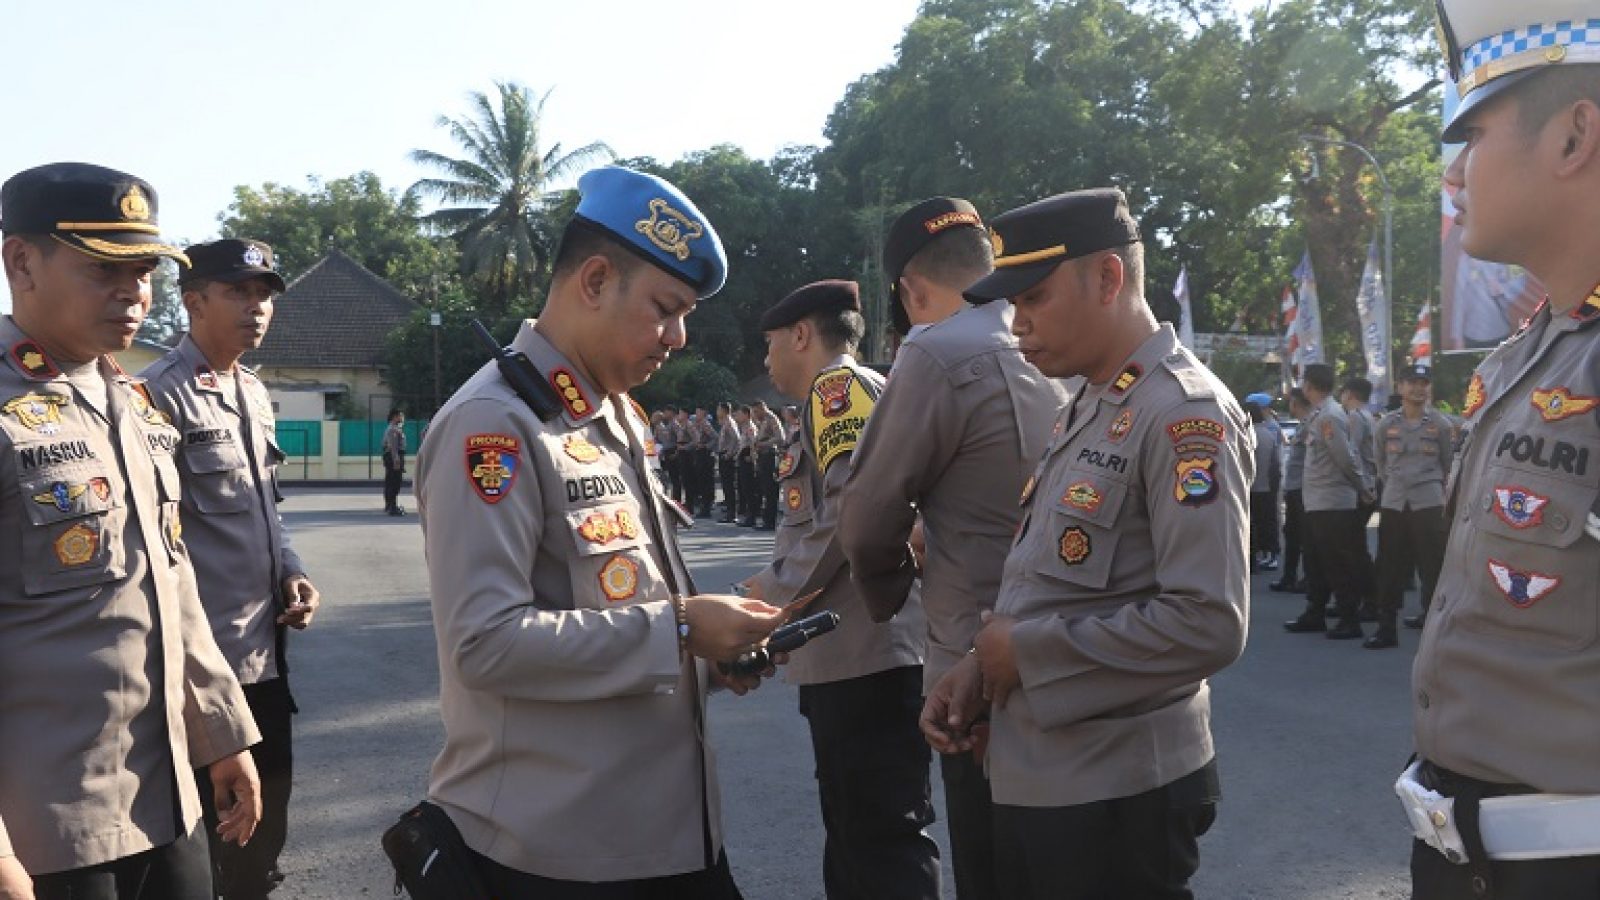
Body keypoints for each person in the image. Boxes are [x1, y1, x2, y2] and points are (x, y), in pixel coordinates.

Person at [416, 165, 786, 897]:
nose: (678, 337)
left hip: (661, 837)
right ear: (593, 281)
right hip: (559, 856)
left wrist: (709, 655)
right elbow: (484, 644)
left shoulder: (611, 413)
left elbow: (620, 607)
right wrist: (681, 630)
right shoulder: (497, 424)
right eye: (665, 308)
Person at [922, 188, 1252, 899]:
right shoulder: (1093, 401)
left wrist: (1024, 652)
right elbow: (1056, 580)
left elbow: (1208, 623)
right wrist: (981, 666)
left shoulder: (1182, 413)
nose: (1017, 325)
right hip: (1041, 771)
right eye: (1010, 305)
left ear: (1107, 279)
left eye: (1034, 298)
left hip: (1116, 791)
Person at [0, 162, 262, 900]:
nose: (134, 292)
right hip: (46, 831)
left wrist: (222, 736)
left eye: (144, 271)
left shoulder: (133, 402)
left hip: (166, 798)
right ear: (21, 261)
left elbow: (172, 585)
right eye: (104, 269)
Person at [1400, 5, 1600, 893]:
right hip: (1467, 852)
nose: (1450, 178)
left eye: (1469, 136)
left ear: (1575, 135)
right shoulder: (1531, 353)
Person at [838, 196, 1070, 900]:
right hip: (1074, 643)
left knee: (994, 871)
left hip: (975, 670)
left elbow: (869, 517)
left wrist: (886, 591)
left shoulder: (936, 351)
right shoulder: (1063, 342)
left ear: (910, 291)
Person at [744, 279, 937, 900]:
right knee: (858, 838)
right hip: (854, 652)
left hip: (865, 657)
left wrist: (767, 600)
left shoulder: (837, 390)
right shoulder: (845, 392)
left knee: (879, 842)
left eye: (770, 343)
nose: (766, 359)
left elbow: (845, 514)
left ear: (803, 334)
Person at [140, 239, 321, 900]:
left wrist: (292, 572)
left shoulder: (253, 391)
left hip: (265, 660)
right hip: (203, 676)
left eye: (264, 294)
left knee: (262, 848)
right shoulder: (157, 395)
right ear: (193, 303)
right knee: (210, 855)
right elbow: (157, 540)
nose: (257, 308)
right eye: (238, 293)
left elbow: (265, 509)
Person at [1365, 364, 1451, 649]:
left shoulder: (1440, 425)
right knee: (1389, 569)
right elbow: (1380, 463)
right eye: (1412, 382)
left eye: (1424, 382)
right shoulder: (1386, 424)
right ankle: (1386, 628)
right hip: (1395, 503)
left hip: (1429, 504)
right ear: (1400, 387)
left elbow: (1449, 465)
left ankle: (1434, 630)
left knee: (1433, 569)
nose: (1418, 388)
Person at [1284, 364, 1370, 640]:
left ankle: (1349, 619)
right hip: (1317, 502)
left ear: (1309, 386)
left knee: (1337, 563)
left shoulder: (1330, 416)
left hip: (1333, 502)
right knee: (1316, 561)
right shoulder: (1320, 415)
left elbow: (1345, 459)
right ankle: (1315, 612)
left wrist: (1362, 488)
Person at [1270, 389, 1313, 594]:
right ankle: (1289, 577)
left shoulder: (1310, 425)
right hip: (1294, 488)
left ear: (1296, 404)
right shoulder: (1302, 426)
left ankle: (1307, 578)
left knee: (1306, 538)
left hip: (1304, 489)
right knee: (1292, 536)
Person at [1246, 398, 1283, 571]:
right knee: (1268, 521)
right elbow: (1276, 463)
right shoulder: (1269, 433)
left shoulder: (1247, 435)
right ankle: (1272, 554)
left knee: (1252, 523)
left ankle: (1256, 556)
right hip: (1268, 486)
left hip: (1251, 486)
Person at [751, 399, 783, 530]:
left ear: (762, 408)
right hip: (763, 457)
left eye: (756, 411)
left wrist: (763, 444)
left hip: (770, 456)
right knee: (764, 490)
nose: (755, 414)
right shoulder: (762, 420)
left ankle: (770, 522)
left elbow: (780, 437)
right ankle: (766, 520)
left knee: (770, 491)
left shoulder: (771, 419)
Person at [733, 404, 758, 526]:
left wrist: (752, 456)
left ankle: (751, 517)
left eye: (739, 414)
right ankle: (747, 515)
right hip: (742, 459)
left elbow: (754, 442)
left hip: (748, 461)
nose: (737, 416)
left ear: (746, 415)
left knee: (749, 489)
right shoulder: (743, 427)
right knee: (743, 489)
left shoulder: (750, 427)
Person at [382, 408, 407, 515]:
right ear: (394, 417)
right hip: (394, 457)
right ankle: (392, 507)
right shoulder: (393, 430)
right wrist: (396, 460)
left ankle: (390, 505)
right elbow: (393, 446)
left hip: (392, 456)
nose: (401, 418)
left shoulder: (394, 428)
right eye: (399, 416)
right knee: (394, 482)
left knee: (391, 481)